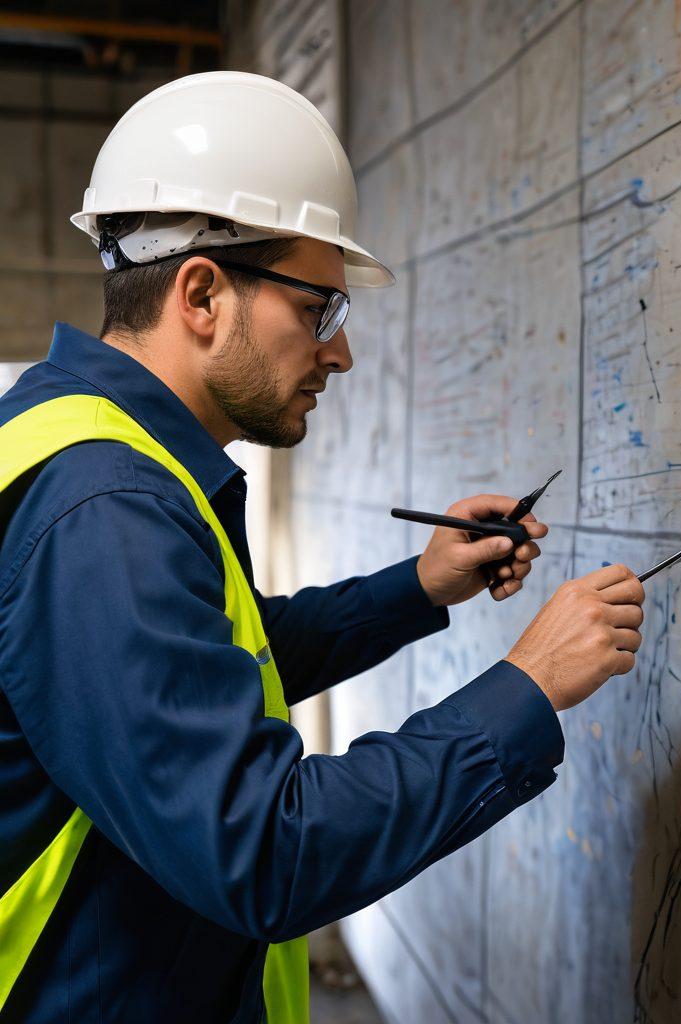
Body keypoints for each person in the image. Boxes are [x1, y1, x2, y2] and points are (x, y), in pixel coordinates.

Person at [0, 72, 645, 1023]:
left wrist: (420, 586)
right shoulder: (106, 509)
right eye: (318, 310)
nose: (339, 353)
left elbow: (218, 666)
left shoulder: (85, 439)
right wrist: (527, 686)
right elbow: (264, 849)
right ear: (202, 293)